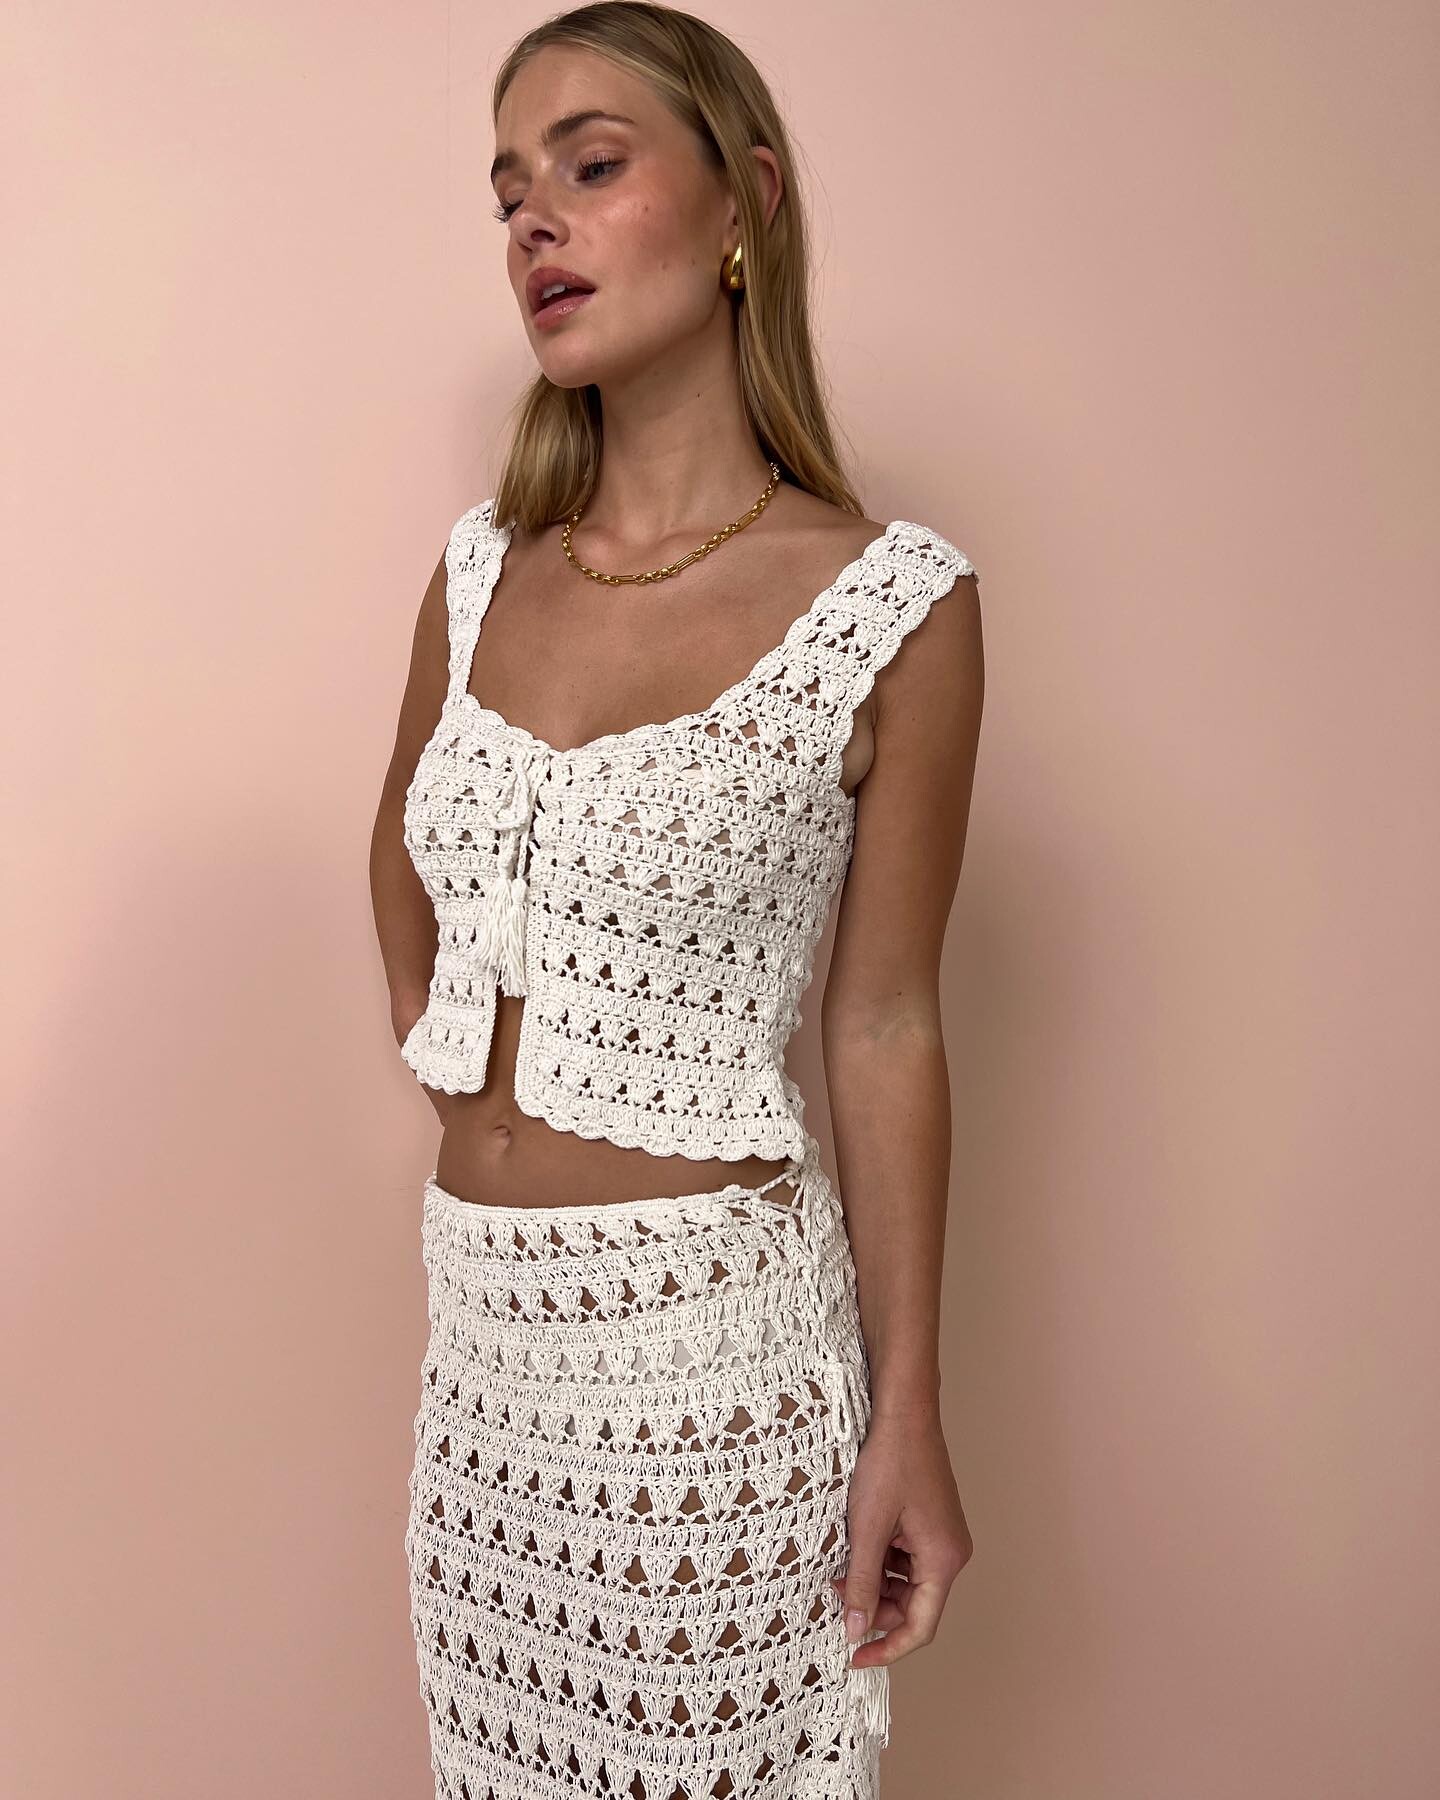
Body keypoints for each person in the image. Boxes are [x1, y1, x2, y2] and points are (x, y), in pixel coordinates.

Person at [368, 5, 984, 1794]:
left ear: (743, 207)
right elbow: (399, 862)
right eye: (509, 193)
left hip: (714, 1370)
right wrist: (473, 1099)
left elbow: (886, 1022)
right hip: (484, 1370)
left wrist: (909, 1410)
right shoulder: (483, 572)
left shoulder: (894, 606)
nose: (534, 223)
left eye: (591, 164)